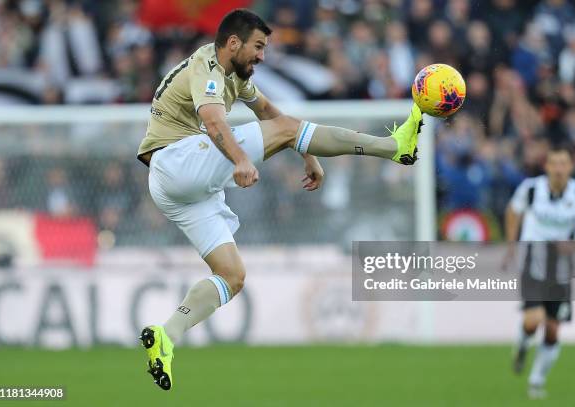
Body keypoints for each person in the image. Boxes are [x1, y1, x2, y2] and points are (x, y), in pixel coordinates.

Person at [136, 9, 422, 390]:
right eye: (258, 47)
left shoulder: (235, 75)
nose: (262, 56)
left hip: (172, 185)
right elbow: (214, 120)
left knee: (232, 276)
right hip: (178, 161)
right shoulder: (206, 64)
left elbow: (270, 113)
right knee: (281, 131)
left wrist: (307, 153)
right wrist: (240, 159)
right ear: (233, 43)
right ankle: (393, 147)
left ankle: (166, 335)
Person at [505, 144, 575, 399]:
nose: (558, 169)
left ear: (571, 166)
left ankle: (537, 379)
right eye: (554, 163)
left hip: (562, 268)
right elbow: (513, 211)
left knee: (553, 329)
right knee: (533, 321)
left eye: (563, 163)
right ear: (546, 166)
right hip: (533, 262)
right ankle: (522, 346)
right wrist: (512, 244)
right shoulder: (532, 189)